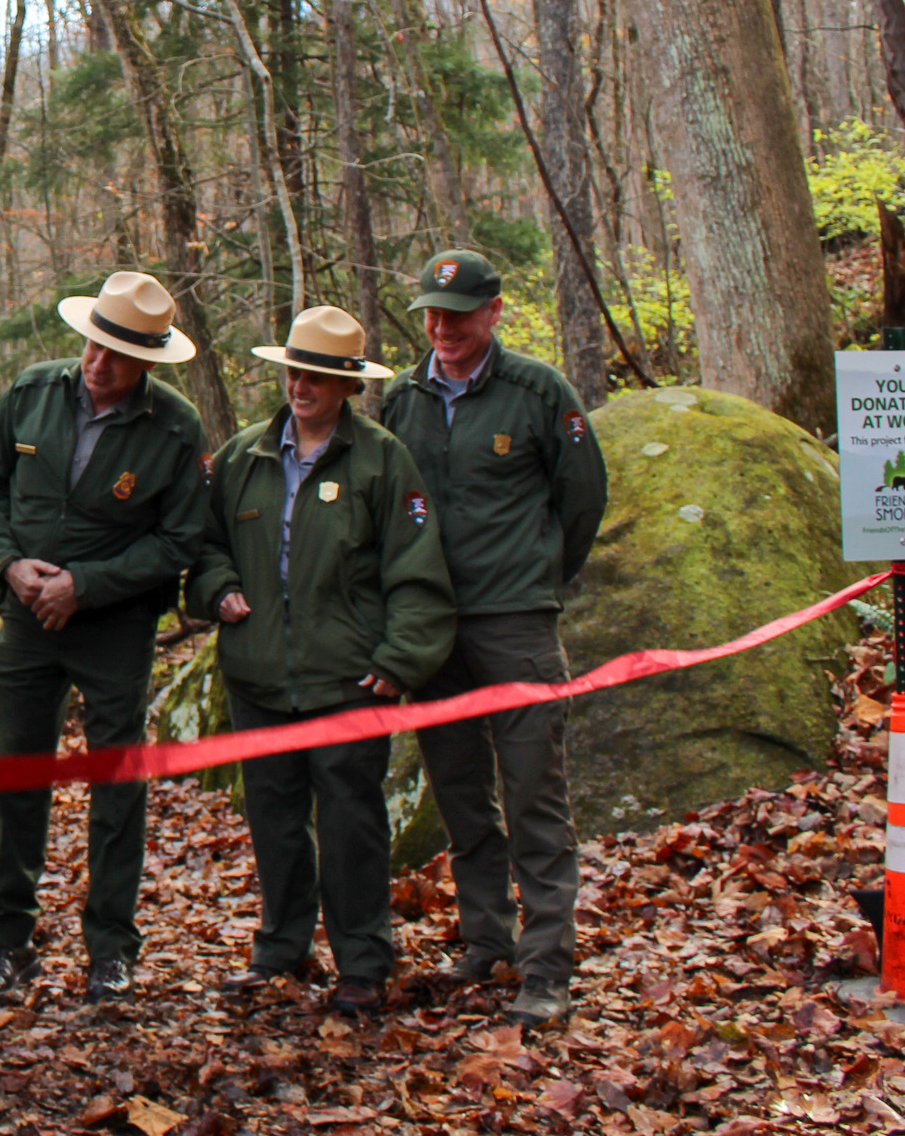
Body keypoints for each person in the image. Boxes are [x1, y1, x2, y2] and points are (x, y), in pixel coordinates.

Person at [185, 306, 454, 1015]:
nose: (302, 386)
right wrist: (219, 592)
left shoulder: (381, 459)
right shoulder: (243, 456)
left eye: (320, 375)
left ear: (347, 385)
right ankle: (282, 949)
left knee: (351, 826)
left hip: (348, 682)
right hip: (260, 675)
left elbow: (417, 568)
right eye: (295, 371)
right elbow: (204, 548)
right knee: (274, 823)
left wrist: (400, 659)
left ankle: (363, 963)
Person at [379, 249, 608, 1029]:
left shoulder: (538, 392)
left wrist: (539, 576)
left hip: (516, 625)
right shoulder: (403, 400)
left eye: (458, 314)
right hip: (434, 630)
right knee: (461, 795)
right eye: (432, 314)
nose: (442, 328)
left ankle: (547, 967)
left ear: (494, 312)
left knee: (535, 794)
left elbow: (582, 499)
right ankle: (487, 940)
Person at [0, 271, 206, 1006]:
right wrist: (9, 566)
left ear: (149, 362)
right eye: (93, 345)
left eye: (118, 355)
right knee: (16, 776)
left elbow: (180, 540)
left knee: (116, 785)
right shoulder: (33, 392)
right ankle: (5, 942)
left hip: (116, 629)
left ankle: (111, 947)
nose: (98, 364)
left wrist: (89, 585)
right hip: (26, 620)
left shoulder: (174, 428)